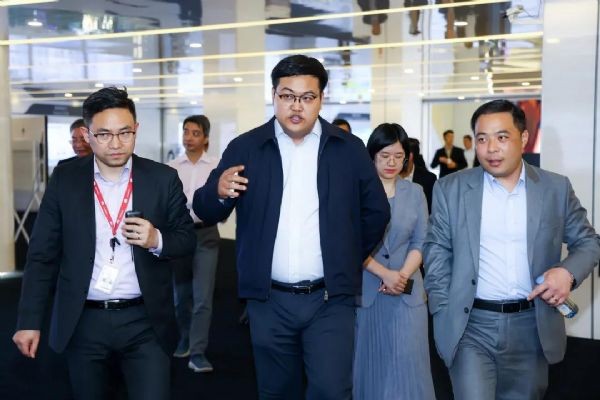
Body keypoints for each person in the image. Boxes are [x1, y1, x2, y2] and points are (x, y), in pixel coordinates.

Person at [193, 54, 390, 399]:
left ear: (321, 99)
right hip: (269, 301)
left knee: (331, 390)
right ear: (274, 95)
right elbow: (204, 209)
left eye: (307, 97)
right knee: (276, 391)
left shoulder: (348, 149)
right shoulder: (247, 147)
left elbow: (376, 213)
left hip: (330, 300)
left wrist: (344, 257)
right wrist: (218, 192)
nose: (296, 106)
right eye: (287, 96)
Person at [13, 87, 196, 400]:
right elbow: (42, 255)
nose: (116, 143)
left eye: (125, 132)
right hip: (83, 320)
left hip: (145, 320)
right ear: (87, 135)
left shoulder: (162, 178)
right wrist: (29, 320)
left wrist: (157, 239)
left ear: (136, 129)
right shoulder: (65, 179)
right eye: (104, 134)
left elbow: (186, 239)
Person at [424, 99, 600, 400]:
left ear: (524, 138)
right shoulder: (451, 189)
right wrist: (442, 309)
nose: (491, 148)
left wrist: (566, 273)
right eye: (482, 139)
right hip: (470, 326)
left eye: (502, 137)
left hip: (531, 326)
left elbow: (588, 242)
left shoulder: (555, 188)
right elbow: (436, 249)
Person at [353, 123, 435, 399]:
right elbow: (350, 242)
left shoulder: (415, 192)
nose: (391, 163)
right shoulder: (356, 192)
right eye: (385, 156)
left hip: (407, 291)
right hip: (368, 289)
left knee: (410, 367)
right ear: (372, 156)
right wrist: (384, 274)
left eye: (398, 156)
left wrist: (400, 275)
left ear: (407, 158)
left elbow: (421, 240)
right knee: (371, 366)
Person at [167, 114, 220, 373]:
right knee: (181, 295)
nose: (188, 137)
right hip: (180, 235)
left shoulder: (216, 167)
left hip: (207, 234)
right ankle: (184, 337)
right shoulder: (171, 167)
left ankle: (198, 352)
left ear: (206, 138)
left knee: (203, 297)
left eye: (195, 133)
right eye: (186, 132)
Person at [401, 137, 437, 214]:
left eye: (398, 154)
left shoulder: (429, 179)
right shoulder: (388, 177)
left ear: (410, 156)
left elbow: (431, 210)